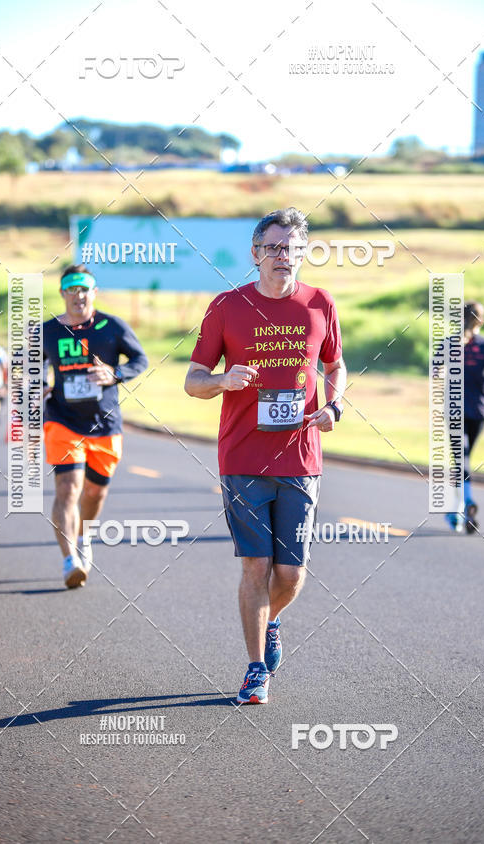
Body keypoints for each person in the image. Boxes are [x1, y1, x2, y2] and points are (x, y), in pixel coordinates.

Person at [185, 208, 346, 704]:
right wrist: (222, 380)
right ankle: (256, 669)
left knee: (291, 573)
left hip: (300, 457)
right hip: (242, 456)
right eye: (274, 247)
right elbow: (192, 381)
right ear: (255, 254)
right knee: (256, 566)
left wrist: (335, 406)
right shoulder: (226, 307)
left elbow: (336, 365)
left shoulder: (320, 303)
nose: (283, 256)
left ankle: (270, 620)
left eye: (292, 248)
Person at [43, 265, 148, 588]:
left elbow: (140, 361)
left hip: (104, 424)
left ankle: (83, 536)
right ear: (62, 294)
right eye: (71, 289)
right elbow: (25, 367)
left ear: (94, 292)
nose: (79, 295)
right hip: (63, 420)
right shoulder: (46, 331)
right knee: (68, 488)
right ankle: (70, 559)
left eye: (84, 289)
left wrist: (115, 374)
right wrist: (37, 386)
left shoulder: (111, 327)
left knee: (94, 491)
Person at [446, 301, 484, 534]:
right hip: (479, 412)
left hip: (455, 410)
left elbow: (436, 371)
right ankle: (458, 507)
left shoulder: (450, 343)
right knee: (464, 457)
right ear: (481, 320)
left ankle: (462, 505)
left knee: (461, 458)